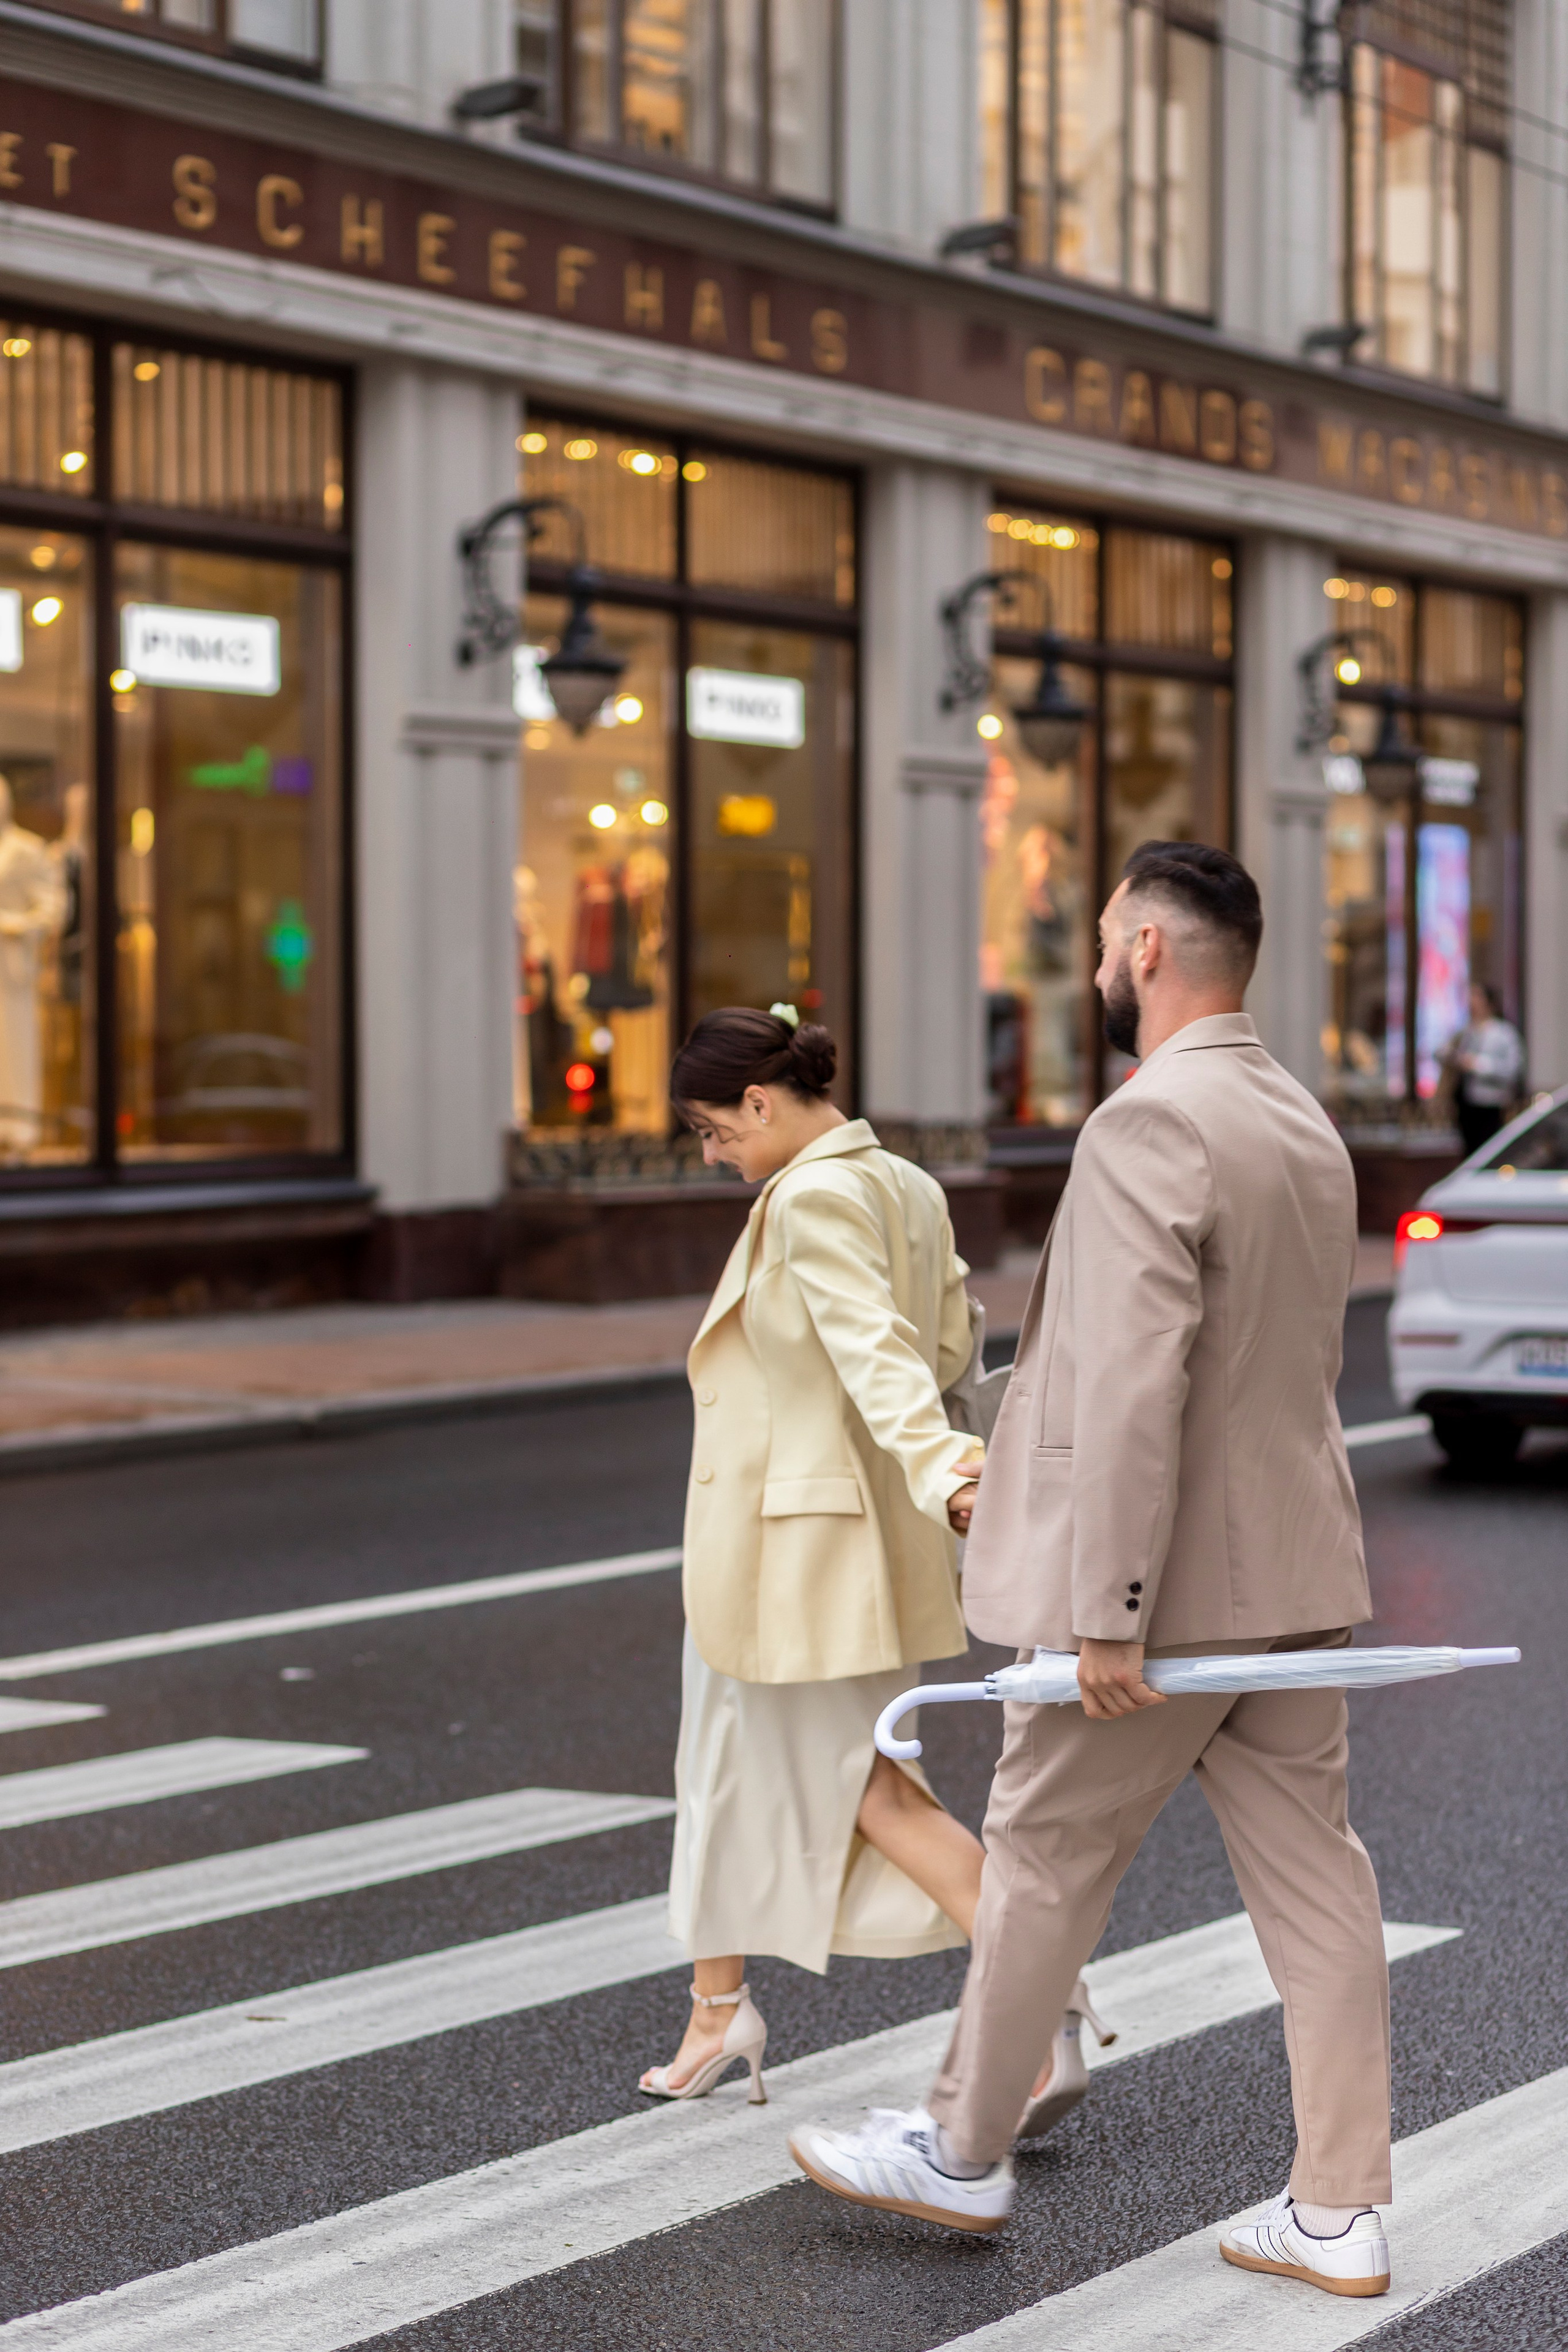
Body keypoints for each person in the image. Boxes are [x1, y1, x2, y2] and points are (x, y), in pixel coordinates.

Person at [791, 843, 1395, 2303]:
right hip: (1293, 1573)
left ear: (1137, 946)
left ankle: (961, 2149)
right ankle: (1336, 2210)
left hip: (1155, 1597)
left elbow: (1135, 1383)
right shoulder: (1300, 1122)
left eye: (1111, 944)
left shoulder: (1148, 1125)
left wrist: (1108, 1604)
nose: (1102, 965)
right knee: (1317, 1885)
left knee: (1044, 1859)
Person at [640, 1005, 1102, 2120]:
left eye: (713, 1131)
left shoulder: (813, 1197)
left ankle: (1046, 2013)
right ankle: (717, 2011)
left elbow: (885, 1360)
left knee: (874, 1791)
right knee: (722, 1760)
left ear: (760, 1102)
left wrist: (948, 1468)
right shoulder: (902, 1181)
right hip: (820, 1544)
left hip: (804, 1555)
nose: (715, 1156)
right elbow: (951, 1345)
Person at [1447, 982, 1525, 1158]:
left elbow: (1512, 1070)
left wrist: (1477, 1064)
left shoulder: (1504, 1033)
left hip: (1491, 1103)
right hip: (1466, 1102)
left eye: (1477, 997)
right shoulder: (1467, 1032)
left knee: (1489, 1152)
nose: (1472, 1002)